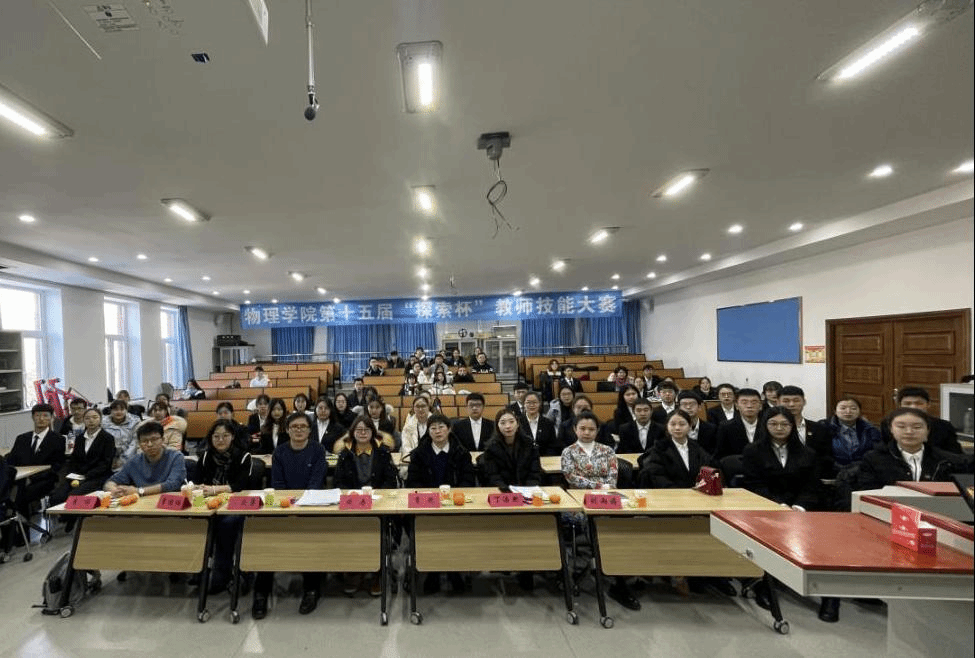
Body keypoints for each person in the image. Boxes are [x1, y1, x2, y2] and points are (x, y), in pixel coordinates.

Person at [561, 411, 640, 609]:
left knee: (624, 522)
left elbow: (612, 479)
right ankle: (606, 568)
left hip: (607, 499)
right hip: (579, 502)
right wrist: (598, 486)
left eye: (591, 429)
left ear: (597, 431)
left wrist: (603, 488)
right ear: (575, 429)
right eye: (582, 428)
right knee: (597, 523)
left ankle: (618, 573)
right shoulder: (568, 452)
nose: (587, 432)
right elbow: (572, 478)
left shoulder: (607, 451)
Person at [252, 413, 327, 619]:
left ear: (309, 430)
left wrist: (301, 506)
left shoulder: (317, 450)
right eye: (294, 426)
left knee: (309, 539)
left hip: (310, 506)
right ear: (288, 429)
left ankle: (311, 589)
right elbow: (277, 484)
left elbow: (316, 483)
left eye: (303, 426)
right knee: (266, 539)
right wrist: (289, 507)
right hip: (284, 505)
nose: (299, 430)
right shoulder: (280, 451)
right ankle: (261, 592)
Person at [334, 415, 398, 597]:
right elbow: (339, 482)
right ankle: (356, 571)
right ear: (352, 433)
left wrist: (377, 496)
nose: (362, 433)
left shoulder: (383, 452)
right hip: (353, 506)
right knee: (352, 532)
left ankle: (377, 573)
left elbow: (390, 480)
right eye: (359, 430)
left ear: (373, 432)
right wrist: (352, 496)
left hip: (378, 504)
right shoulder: (345, 454)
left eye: (367, 430)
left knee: (377, 529)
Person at [196, 419, 255, 593]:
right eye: (216, 436)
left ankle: (222, 575)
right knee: (196, 522)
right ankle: (199, 571)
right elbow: (197, 481)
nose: (220, 440)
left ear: (233, 437)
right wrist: (199, 488)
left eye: (225, 436)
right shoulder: (206, 456)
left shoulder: (243, 456)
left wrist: (214, 489)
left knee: (227, 524)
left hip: (234, 504)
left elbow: (239, 486)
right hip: (208, 503)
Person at [856, 407, 971, 491]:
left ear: (928, 430)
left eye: (917, 427)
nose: (909, 432)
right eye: (901, 426)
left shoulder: (946, 461)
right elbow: (868, 493)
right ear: (891, 429)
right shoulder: (873, 459)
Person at [2, 404, 66, 548]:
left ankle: (21, 536)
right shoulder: (22, 438)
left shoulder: (58, 439)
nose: (41, 419)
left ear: (52, 418)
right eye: (37, 415)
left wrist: (33, 478)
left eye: (45, 416)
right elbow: (11, 460)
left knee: (20, 497)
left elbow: (57, 466)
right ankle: (9, 534)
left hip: (44, 480)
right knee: (7, 496)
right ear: (32, 417)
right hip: (20, 479)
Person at [49, 407, 115, 507]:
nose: (91, 420)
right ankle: (61, 515)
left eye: (95, 417)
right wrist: (72, 474)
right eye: (87, 418)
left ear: (100, 419)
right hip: (78, 476)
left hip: (97, 477)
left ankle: (73, 517)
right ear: (83, 420)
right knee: (56, 496)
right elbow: (74, 460)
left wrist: (86, 476)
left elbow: (106, 464)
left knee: (73, 497)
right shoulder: (80, 438)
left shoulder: (108, 438)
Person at [639, 410, 719, 489]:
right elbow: (657, 476)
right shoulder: (660, 448)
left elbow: (709, 467)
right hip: (670, 493)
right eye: (673, 424)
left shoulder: (696, 446)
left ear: (690, 426)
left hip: (695, 493)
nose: (677, 428)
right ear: (667, 426)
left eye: (682, 424)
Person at [105, 421, 186, 497]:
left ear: (163, 440)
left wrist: (139, 491)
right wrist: (115, 490)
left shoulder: (176, 457)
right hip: (142, 503)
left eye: (154, 439)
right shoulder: (134, 461)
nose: (149, 444)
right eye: (144, 441)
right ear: (139, 444)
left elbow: (173, 484)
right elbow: (110, 482)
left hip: (169, 500)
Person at [880, 387, 963, 453]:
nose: (913, 407)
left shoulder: (943, 426)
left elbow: (955, 453)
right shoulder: (888, 423)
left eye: (919, 403)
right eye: (907, 403)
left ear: (928, 404)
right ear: (900, 406)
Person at [777, 385, 835, 476]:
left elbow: (826, 456)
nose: (791, 404)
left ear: (804, 402)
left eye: (796, 400)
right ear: (778, 403)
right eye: (786, 401)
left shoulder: (819, 428)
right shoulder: (768, 428)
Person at [480, 409, 542, 491]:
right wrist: (508, 491)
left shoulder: (530, 445)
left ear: (518, 424)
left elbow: (535, 473)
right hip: (503, 492)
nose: (508, 426)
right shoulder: (490, 448)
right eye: (503, 423)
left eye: (511, 422)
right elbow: (493, 476)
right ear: (497, 426)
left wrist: (526, 490)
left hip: (527, 490)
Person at [827, 397, 881, 469]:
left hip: (863, 469)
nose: (848, 411)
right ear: (835, 411)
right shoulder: (825, 428)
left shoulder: (870, 430)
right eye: (843, 408)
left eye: (853, 408)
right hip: (833, 469)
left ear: (859, 411)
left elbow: (877, 452)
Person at [713, 388, 763, 460]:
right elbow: (720, 455)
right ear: (736, 405)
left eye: (754, 402)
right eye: (744, 402)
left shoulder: (768, 425)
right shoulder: (726, 427)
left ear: (760, 406)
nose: (749, 406)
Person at [399, 396, 434, 477]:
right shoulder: (408, 427)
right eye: (417, 407)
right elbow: (406, 447)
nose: (420, 409)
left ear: (428, 407)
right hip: (414, 461)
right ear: (413, 408)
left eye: (423, 406)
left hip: (433, 459)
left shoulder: (436, 423)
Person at [101, 399, 141, 469]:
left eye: (122, 409)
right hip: (106, 458)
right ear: (111, 411)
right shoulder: (103, 422)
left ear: (126, 410)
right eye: (115, 409)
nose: (119, 412)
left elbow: (134, 443)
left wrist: (123, 459)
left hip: (129, 458)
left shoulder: (135, 422)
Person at [677, 391, 718, 455]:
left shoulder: (712, 429)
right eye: (684, 404)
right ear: (679, 407)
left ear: (700, 407)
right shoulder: (674, 429)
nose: (688, 407)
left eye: (692, 404)